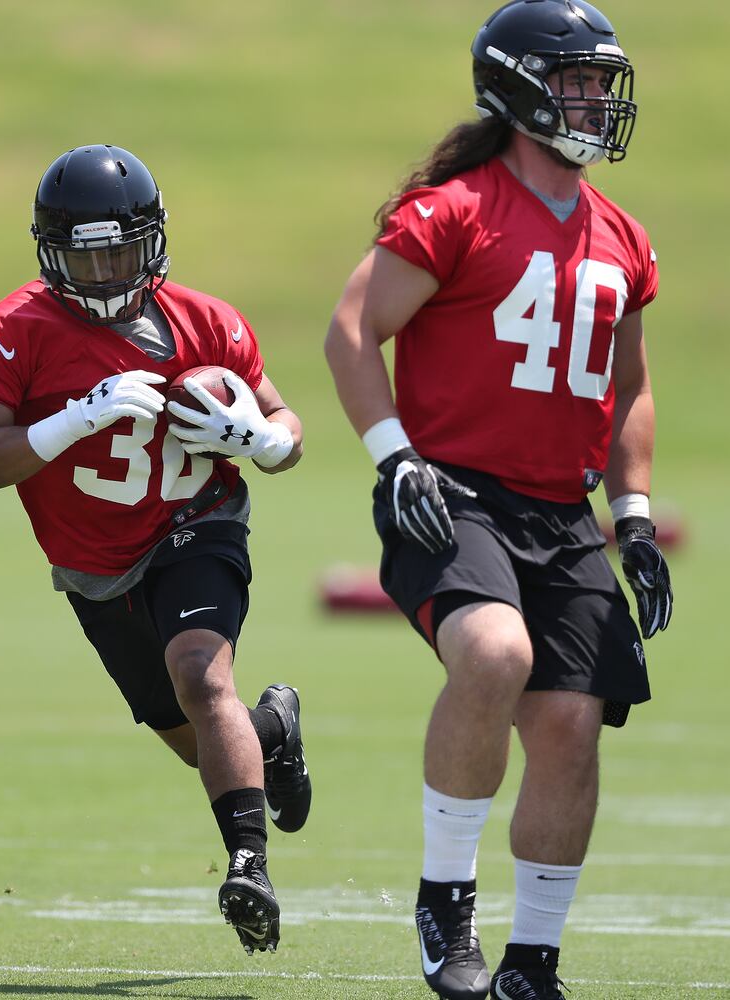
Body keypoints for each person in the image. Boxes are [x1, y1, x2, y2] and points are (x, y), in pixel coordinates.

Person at [324, 2, 673, 997]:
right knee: (494, 652)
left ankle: (533, 962)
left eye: (602, 83)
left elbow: (631, 385)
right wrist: (396, 460)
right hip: (451, 492)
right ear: (519, 89)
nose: (596, 102)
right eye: (576, 81)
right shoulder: (453, 209)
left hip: (562, 512)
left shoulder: (621, 237)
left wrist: (636, 516)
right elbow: (352, 330)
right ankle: (446, 899)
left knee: (569, 725)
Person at [0, 143, 312, 957]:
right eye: (89, 254)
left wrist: (256, 437)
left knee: (199, 675)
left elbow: (289, 436)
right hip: (96, 565)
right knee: (192, 733)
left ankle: (247, 866)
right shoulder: (11, 333)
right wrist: (73, 418)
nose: (110, 271)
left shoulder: (208, 321)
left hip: (197, 522)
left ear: (153, 242)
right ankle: (274, 732)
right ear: (52, 255)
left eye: (123, 250)